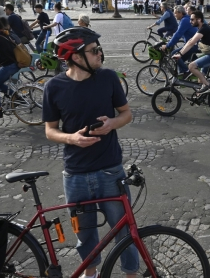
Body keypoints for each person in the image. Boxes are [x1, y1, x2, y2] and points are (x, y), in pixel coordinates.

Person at [43, 27, 138, 278]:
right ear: (75, 56)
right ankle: (91, 274)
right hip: (75, 175)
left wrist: (111, 125)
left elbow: (126, 114)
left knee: (125, 232)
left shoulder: (108, 78)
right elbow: (50, 131)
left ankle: (131, 274)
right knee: (84, 235)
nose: (100, 54)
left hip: (110, 170)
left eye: (99, 49)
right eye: (94, 50)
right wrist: (70, 138)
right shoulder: (54, 87)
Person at [172, 10, 210, 93]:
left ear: (199, 20)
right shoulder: (201, 28)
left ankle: (207, 85)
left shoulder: (204, 29)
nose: (190, 21)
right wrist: (179, 53)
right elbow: (190, 41)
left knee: (191, 66)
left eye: (192, 19)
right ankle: (202, 95)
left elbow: (192, 43)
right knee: (200, 79)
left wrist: (180, 54)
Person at [161, 5, 198, 78]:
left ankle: (186, 72)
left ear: (180, 13)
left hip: (192, 45)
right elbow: (179, 33)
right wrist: (171, 38)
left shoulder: (185, 20)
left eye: (175, 13)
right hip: (190, 44)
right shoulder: (184, 19)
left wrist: (168, 45)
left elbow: (178, 34)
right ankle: (182, 77)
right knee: (179, 61)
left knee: (174, 54)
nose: (174, 15)